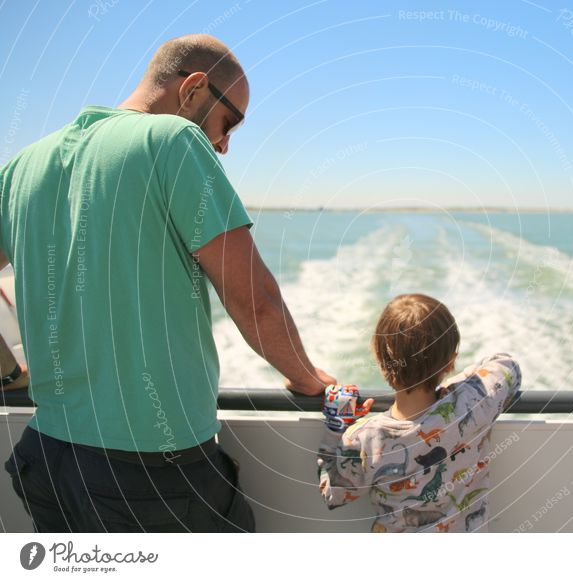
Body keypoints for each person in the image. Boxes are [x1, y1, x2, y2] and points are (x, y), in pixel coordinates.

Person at [1, 34, 334, 532]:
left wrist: (9, 376)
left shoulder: (23, 166)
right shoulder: (174, 141)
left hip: (47, 457)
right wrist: (309, 380)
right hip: (150, 472)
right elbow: (253, 298)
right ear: (194, 89)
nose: (223, 144)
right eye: (230, 122)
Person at [317, 293, 521, 532]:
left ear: (379, 358)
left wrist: (336, 426)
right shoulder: (473, 402)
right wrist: (454, 390)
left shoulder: (364, 438)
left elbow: (335, 495)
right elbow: (507, 364)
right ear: (450, 362)